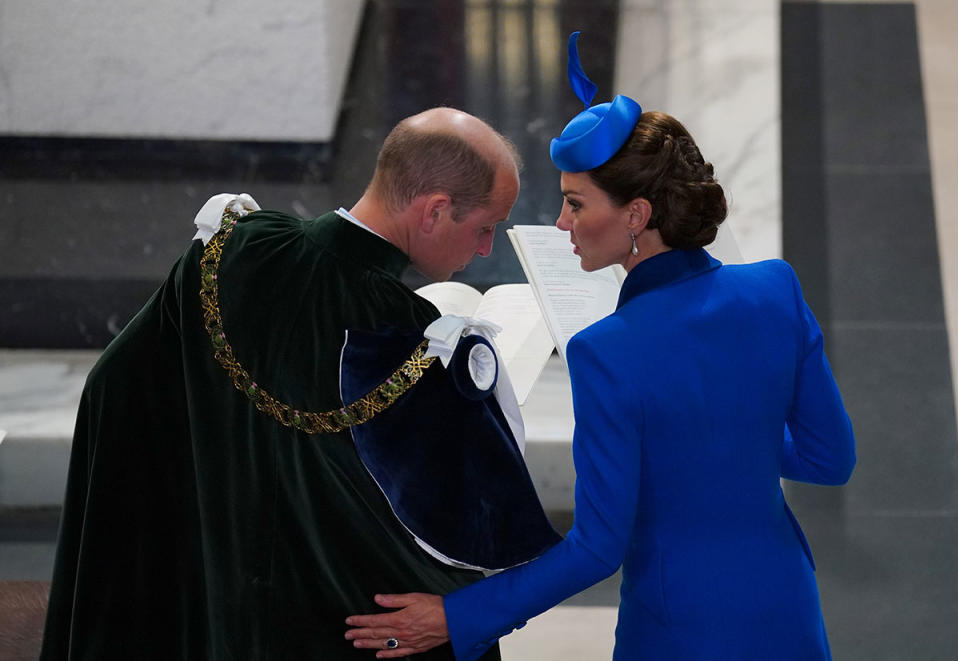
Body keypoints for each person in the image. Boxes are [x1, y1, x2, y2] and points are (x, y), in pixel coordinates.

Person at [344, 33, 856, 660]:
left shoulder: (606, 352)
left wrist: (458, 616)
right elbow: (831, 459)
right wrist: (724, 431)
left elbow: (597, 547)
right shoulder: (776, 288)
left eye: (574, 203)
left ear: (637, 215)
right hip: (787, 608)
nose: (560, 224)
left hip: (677, 632)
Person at [39, 107, 526, 660]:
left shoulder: (232, 249)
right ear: (435, 210)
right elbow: (469, 536)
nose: (485, 248)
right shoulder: (415, 341)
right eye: (486, 227)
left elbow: (114, 385)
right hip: (340, 626)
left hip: (213, 598)